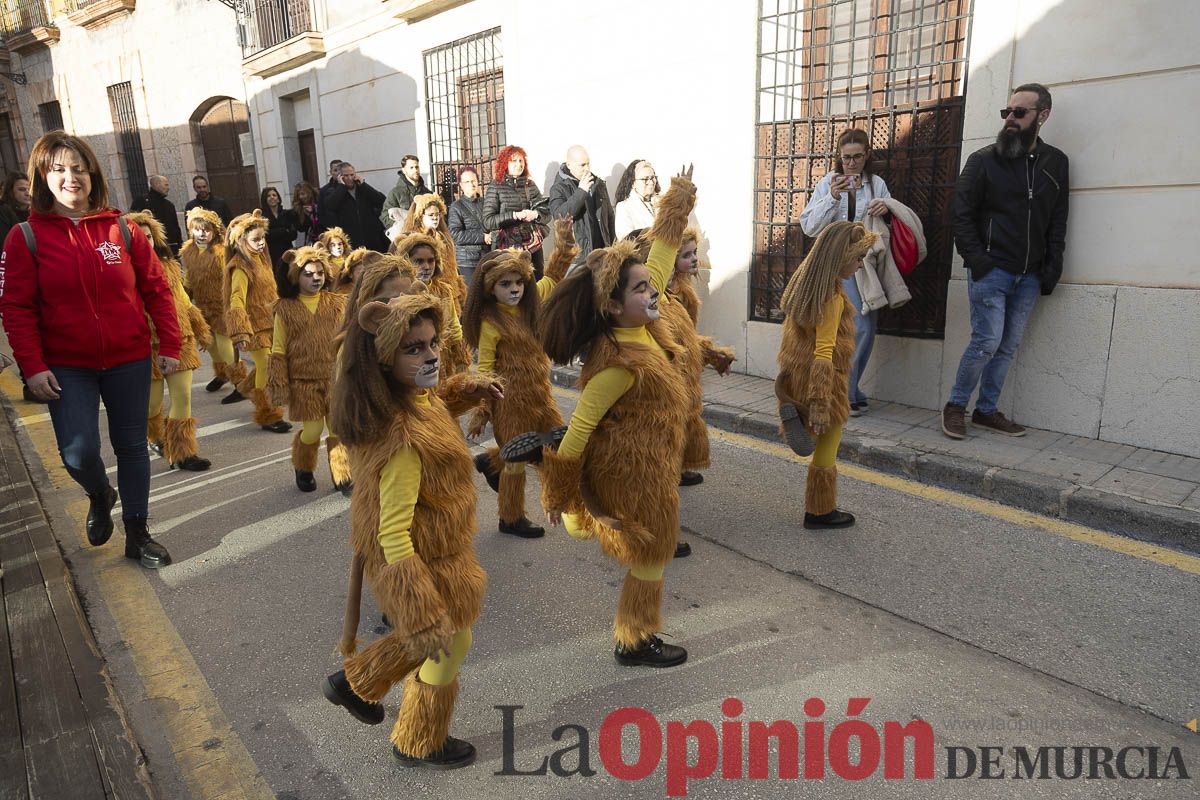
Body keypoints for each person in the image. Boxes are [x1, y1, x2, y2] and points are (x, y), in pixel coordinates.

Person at [504, 167, 699, 668]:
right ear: (613, 307)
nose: (653, 293)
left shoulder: (642, 326)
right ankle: (634, 640)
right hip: (632, 471)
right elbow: (584, 426)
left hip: (652, 462)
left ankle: (634, 635)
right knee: (652, 554)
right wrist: (560, 491)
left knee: (651, 552)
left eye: (650, 288)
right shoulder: (616, 362)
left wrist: (676, 199)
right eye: (641, 291)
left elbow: (656, 256)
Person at [322, 290, 502, 771]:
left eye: (432, 343)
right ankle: (419, 738)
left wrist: (471, 389)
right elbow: (392, 532)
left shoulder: (414, 401)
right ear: (384, 360)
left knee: (444, 637)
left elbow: (436, 402)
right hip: (426, 559)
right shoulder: (402, 439)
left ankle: (358, 684)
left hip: (444, 549)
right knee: (445, 639)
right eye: (414, 348)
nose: (431, 355)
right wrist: (416, 601)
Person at [0, 131, 180, 568]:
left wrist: (170, 341)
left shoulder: (124, 229)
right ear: (43, 177)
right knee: (78, 453)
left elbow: (157, 289)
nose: (71, 177)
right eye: (59, 169)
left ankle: (137, 533)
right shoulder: (24, 238)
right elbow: (16, 307)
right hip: (66, 366)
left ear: (92, 174)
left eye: (78, 168)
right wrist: (32, 366)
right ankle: (100, 493)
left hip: (128, 358)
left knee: (132, 446)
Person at [943, 83, 1069, 440]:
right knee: (986, 341)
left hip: (1029, 275)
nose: (1010, 119)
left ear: (1042, 116)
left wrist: (1051, 267)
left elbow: (1058, 218)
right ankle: (955, 406)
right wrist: (978, 261)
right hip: (992, 270)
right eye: (1007, 112)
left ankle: (986, 411)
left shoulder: (1056, 163)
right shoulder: (984, 160)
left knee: (1008, 344)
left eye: (1019, 113)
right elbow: (961, 216)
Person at [462, 218, 575, 539]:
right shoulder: (490, 323)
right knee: (515, 461)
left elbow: (553, 276)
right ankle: (510, 518)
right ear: (490, 288)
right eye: (505, 284)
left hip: (540, 395)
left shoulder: (531, 303)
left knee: (556, 445)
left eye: (518, 283)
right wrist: (482, 411)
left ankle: (490, 462)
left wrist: (564, 242)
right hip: (508, 403)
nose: (514, 290)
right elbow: (484, 371)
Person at [776, 221, 878, 530]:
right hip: (825, 384)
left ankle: (802, 422)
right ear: (839, 258)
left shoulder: (805, 289)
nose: (860, 265)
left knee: (820, 442)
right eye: (857, 258)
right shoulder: (833, 299)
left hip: (798, 376)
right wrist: (821, 403)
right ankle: (820, 511)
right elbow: (825, 352)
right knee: (828, 443)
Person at [799, 128, 892, 416]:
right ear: (839, 157)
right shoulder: (828, 183)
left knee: (866, 328)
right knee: (841, 330)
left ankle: (849, 388)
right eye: (846, 157)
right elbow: (809, 227)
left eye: (857, 157)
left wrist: (885, 207)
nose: (851, 163)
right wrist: (833, 198)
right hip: (832, 268)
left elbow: (889, 221)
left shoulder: (876, 184)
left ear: (867, 156)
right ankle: (843, 393)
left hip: (864, 266)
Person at [127, 211, 212, 472]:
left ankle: (183, 452)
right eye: (140, 236)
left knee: (183, 396)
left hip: (179, 337)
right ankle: (155, 437)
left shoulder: (170, 266)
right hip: (146, 345)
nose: (146, 241)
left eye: (150, 236)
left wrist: (199, 327)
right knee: (152, 404)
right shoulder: (122, 271)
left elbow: (183, 300)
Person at [268, 246, 349, 494]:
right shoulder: (285, 308)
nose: (316, 278)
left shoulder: (336, 303)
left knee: (337, 428)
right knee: (312, 430)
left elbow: (346, 338)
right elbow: (278, 348)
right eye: (308, 274)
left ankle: (342, 472)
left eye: (319, 273)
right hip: (304, 381)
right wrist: (279, 383)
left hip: (334, 379)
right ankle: (303, 466)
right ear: (295, 276)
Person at [223, 210, 291, 433]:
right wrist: (240, 331)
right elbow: (236, 299)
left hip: (270, 321)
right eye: (255, 239)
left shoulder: (261, 260)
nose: (261, 243)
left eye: (262, 238)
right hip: (254, 326)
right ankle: (268, 414)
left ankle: (245, 388)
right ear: (241, 241)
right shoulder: (239, 267)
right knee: (266, 366)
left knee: (270, 364)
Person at [180, 207, 247, 400]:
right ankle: (223, 374)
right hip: (202, 306)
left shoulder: (221, 253)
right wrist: (184, 294)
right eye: (197, 229)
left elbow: (232, 277)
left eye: (206, 230)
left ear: (215, 232)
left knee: (225, 345)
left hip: (221, 305)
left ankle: (240, 383)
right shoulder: (188, 251)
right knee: (210, 344)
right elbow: (190, 278)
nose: (201, 234)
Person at [391, 233, 470, 377]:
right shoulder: (399, 293)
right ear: (406, 261)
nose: (426, 267)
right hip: (413, 365)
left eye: (431, 261)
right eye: (419, 261)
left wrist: (461, 359)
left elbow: (454, 327)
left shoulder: (444, 291)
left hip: (442, 360)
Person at [483, 145, 550, 278]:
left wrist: (535, 214)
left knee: (537, 282)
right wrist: (515, 215)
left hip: (532, 245)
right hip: (507, 247)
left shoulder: (530, 185)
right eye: (513, 161)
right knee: (512, 281)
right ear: (505, 163)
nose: (518, 165)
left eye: (521, 161)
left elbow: (546, 212)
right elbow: (487, 221)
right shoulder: (496, 186)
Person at [548, 145, 615, 265]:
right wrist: (581, 192)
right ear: (569, 165)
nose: (587, 168)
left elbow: (609, 216)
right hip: (577, 258)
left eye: (588, 164)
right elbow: (559, 216)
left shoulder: (598, 183)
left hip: (603, 254)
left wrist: (612, 247)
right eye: (582, 165)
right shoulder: (559, 188)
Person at [323, 162, 388, 252]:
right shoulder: (332, 190)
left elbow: (381, 201)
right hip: (350, 240)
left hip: (372, 238)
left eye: (352, 175)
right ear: (340, 177)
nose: (350, 178)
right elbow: (330, 206)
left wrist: (364, 185)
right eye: (346, 176)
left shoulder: (362, 188)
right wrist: (341, 187)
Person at [447, 167, 490, 283]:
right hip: (468, 261)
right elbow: (455, 234)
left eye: (473, 180)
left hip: (487, 256)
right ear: (461, 185)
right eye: (467, 182)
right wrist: (483, 236)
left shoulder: (486, 203)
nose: (471, 184)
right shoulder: (456, 207)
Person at [130, 174, 182, 253]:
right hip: (152, 249)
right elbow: (133, 225)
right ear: (156, 184)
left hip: (171, 248)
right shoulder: (141, 201)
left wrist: (179, 244)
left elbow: (175, 227)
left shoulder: (169, 205)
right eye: (166, 185)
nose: (168, 188)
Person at [379, 154, 432, 229]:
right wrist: (400, 227)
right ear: (404, 170)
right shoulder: (395, 193)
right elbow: (385, 216)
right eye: (411, 168)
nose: (415, 170)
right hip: (405, 236)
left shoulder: (427, 193)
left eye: (417, 167)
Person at [613, 159, 659, 240]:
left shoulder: (662, 203)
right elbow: (625, 238)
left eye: (652, 178)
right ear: (633, 183)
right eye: (645, 179)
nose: (651, 182)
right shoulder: (624, 207)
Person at [260, 186, 298, 269]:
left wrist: (274, 232)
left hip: (287, 251)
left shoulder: (287, 214)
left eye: (274, 195)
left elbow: (293, 234)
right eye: (268, 196)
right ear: (265, 199)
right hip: (271, 253)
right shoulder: (261, 217)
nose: (272, 197)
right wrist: (283, 231)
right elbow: (265, 235)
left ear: (278, 198)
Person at [0, 171, 31, 245]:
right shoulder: (3, 212)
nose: (27, 193)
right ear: (10, 191)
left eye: (29, 189)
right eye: (22, 189)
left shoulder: (35, 211)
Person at [293, 181, 320, 245]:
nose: (301, 197)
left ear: (309, 192)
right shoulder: (299, 208)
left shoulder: (319, 201)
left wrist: (313, 211)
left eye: (303, 194)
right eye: (299, 195)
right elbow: (301, 228)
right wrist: (306, 215)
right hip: (310, 240)